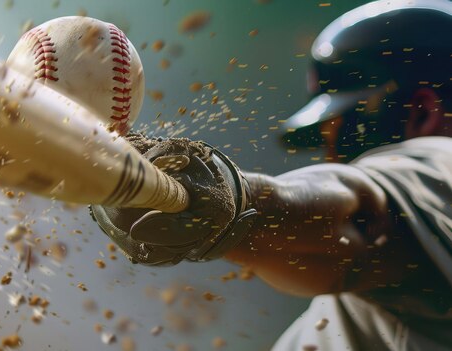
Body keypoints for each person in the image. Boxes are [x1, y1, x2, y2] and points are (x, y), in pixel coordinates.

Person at [91, 0, 452, 350]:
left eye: (340, 129)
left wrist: (233, 199)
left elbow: (360, 218)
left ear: (421, 113)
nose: (329, 152)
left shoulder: (440, 162)